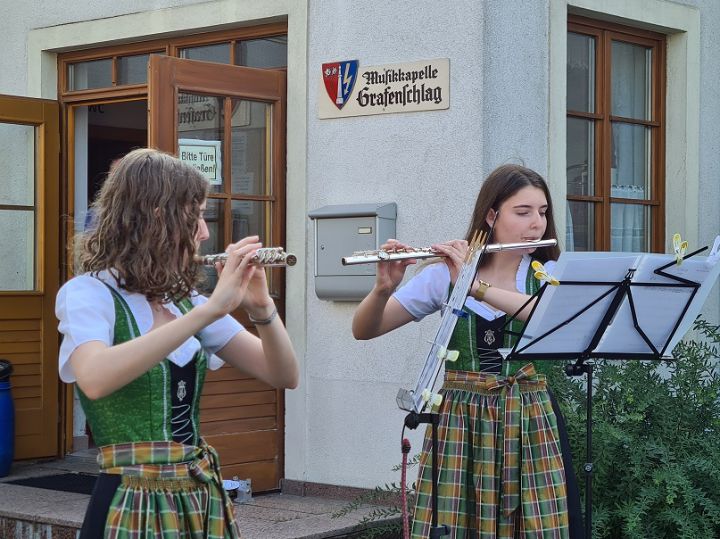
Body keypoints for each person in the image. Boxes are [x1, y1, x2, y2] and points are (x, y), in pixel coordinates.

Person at [55, 148, 299, 538]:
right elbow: (95, 377)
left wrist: (261, 308)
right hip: (128, 498)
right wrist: (211, 310)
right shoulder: (88, 293)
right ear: (156, 218)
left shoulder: (183, 302)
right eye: (196, 215)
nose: (204, 232)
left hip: (195, 495)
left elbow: (283, 374)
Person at [352, 164, 581, 538]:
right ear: (492, 215)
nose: (536, 223)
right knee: (458, 525)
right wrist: (382, 288)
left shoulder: (548, 272)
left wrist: (474, 285)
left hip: (529, 416)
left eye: (542, 212)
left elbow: (550, 319)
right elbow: (365, 330)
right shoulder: (444, 274)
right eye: (522, 212)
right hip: (461, 419)